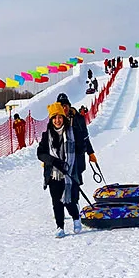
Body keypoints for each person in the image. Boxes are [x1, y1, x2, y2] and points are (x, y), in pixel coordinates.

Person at [37, 102, 83, 238]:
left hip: (69, 173)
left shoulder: (72, 132)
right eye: (54, 118)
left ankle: (76, 218)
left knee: (69, 201)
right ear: (51, 120)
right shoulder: (47, 135)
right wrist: (53, 161)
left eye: (60, 117)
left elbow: (81, 149)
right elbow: (40, 153)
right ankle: (60, 227)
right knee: (56, 202)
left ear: (64, 118)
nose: (57, 120)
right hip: (53, 175)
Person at [55, 93, 96, 184]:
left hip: (77, 156)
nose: (64, 108)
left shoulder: (79, 119)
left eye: (65, 105)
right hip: (62, 159)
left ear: (69, 106)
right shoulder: (55, 121)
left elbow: (85, 137)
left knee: (75, 186)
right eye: (61, 106)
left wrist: (90, 153)